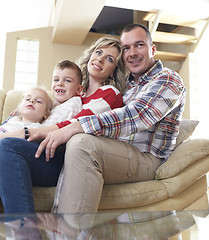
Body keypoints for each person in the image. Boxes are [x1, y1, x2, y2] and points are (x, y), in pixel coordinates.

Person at [30, 23, 186, 225]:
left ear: (152, 49)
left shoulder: (167, 79)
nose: (132, 53)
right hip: (117, 151)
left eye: (139, 45)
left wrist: (77, 126)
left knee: (82, 143)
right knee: (78, 142)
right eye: (127, 48)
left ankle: (69, 232)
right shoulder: (127, 87)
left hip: (147, 158)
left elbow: (136, 115)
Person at [0, 36, 126, 223]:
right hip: (46, 152)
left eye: (109, 59)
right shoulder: (73, 93)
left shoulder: (110, 94)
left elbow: (75, 123)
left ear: (114, 70)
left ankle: (24, 229)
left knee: (6, 147)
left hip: (65, 160)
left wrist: (24, 133)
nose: (100, 59)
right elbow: (44, 116)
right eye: (98, 52)